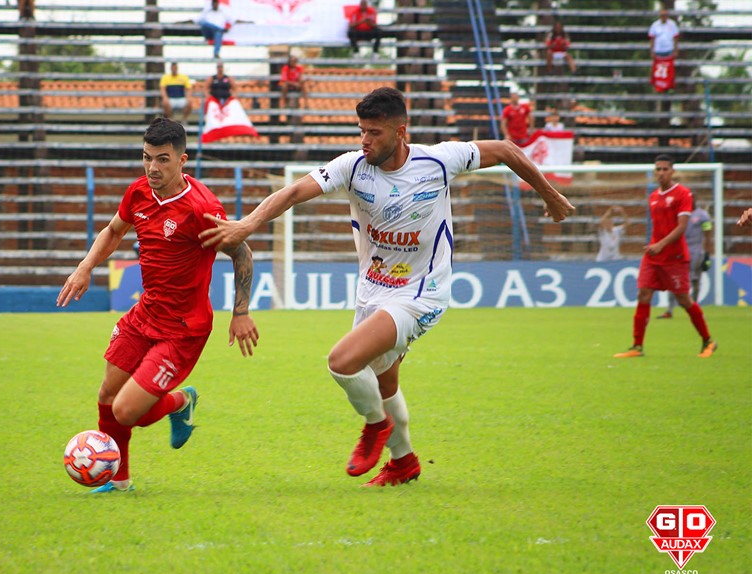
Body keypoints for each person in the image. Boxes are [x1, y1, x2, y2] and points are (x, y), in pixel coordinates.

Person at [199, 87, 575, 487]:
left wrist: (550, 196)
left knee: (342, 361)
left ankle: (376, 425)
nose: (365, 140)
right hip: (372, 291)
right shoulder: (352, 167)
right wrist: (247, 224)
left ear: (401, 132)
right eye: (361, 130)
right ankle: (404, 462)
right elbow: (293, 192)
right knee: (385, 381)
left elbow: (505, 149)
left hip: (421, 292)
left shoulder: (438, 160)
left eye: (374, 132)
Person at [57, 118, 259, 493]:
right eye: (147, 158)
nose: (153, 168)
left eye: (163, 159)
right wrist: (85, 266)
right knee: (106, 397)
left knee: (126, 411)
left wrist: (241, 312)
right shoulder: (138, 192)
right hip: (145, 314)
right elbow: (114, 230)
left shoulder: (201, 208)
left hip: (183, 329)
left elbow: (242, 251)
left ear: (182, 160)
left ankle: (181, 402)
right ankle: (119, 482)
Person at [613, 155, 716, 359]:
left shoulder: (683, 194)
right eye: (657, 169)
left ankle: (708, 341)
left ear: (672, 171)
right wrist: (655, 246)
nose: (660, 173)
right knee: (643, 295)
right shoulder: (653, 196)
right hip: (653, 256)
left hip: (675, 256)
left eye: (664, 169)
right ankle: (637, 346)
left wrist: (661, 245)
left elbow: (682, 227)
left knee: (684, 300)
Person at [658, 200, 712, 318]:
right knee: (673, 281)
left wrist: (707, 254)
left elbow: (708, 234)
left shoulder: (703, 216)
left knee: (695, 280)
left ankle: (695, 309)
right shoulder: (680, 215)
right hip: (679, 252)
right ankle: (669, 310)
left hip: (696, 253)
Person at [649, 8, 679, 93]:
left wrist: (676, 50)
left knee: (669, 70)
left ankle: (668, 86)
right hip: (658, 51)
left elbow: (675, 37)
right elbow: (652, 38)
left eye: (665, 15)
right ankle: (658, 86)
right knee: (658, 70)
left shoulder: (672, 24)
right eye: (662, 15)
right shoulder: (655, 25)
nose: (664, 17)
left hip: (669, 50)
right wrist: (652, 51)